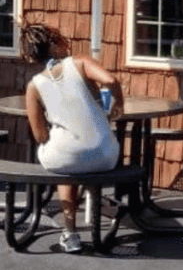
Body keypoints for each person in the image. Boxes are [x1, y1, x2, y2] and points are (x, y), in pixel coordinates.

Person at [20, 22, 124, 253]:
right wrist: (118, 105)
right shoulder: (80, 63)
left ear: (31, 55)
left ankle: (70, 233)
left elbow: (39, 135)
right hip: (105, 155)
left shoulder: (34, 86)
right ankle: (104, 208)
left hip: (66, 158)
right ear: (56, 43)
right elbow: (110, 81)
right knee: (78, 155)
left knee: (64, 157)